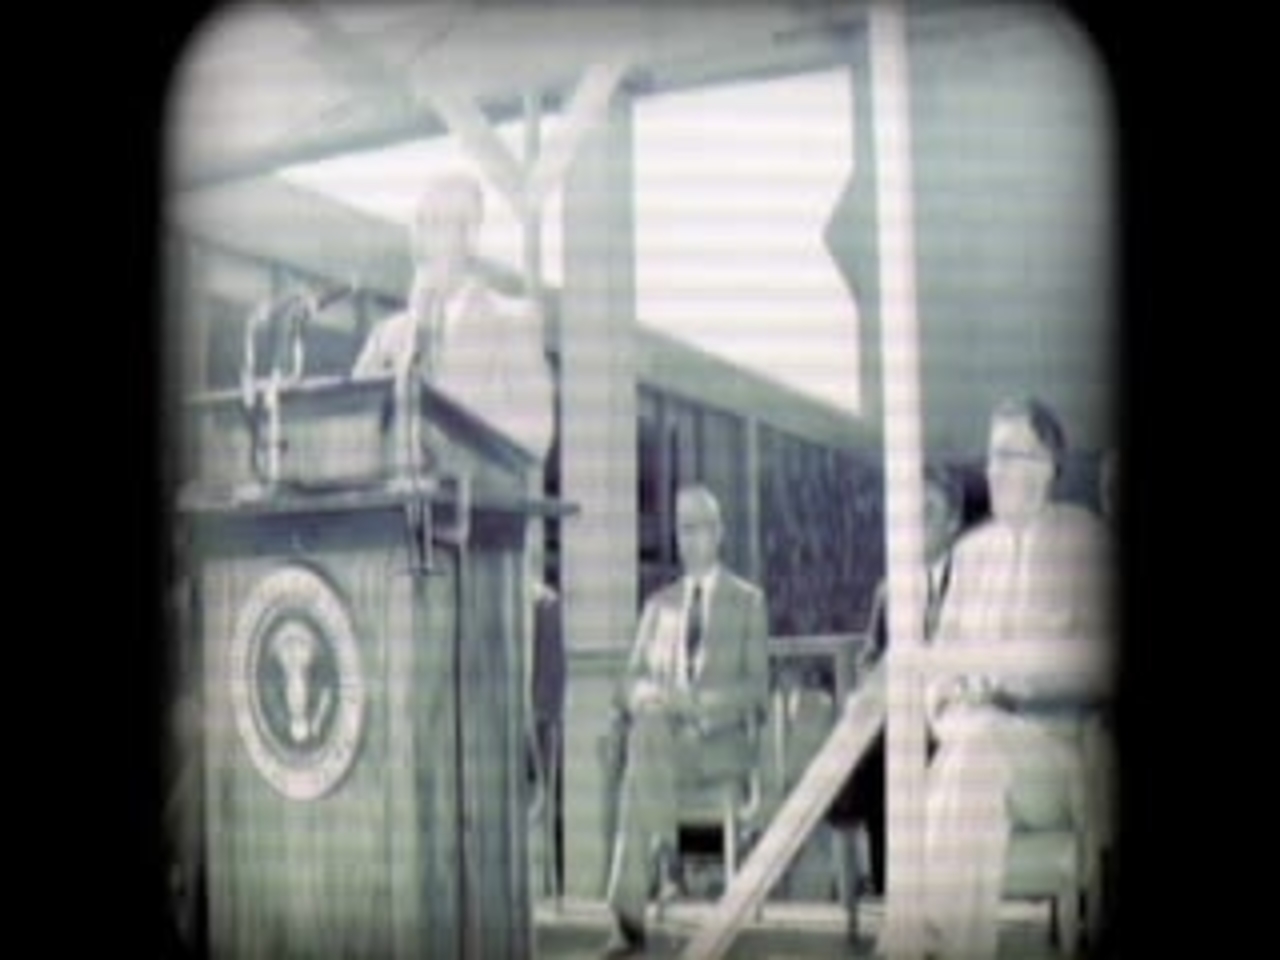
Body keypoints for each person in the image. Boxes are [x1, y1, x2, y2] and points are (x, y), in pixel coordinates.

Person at [918, 397, 1113, 959]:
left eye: (1010, 455)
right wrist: (949, 709)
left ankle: (927, 938)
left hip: (1054, 762)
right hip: (974, 750)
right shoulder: (970, 554)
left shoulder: (1087, 541)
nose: (994, 470)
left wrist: (1013, 684)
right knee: (969, 753)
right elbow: (940, 666)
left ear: (1047, 465)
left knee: (967, 755)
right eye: (992, 456)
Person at [599, 485, 770, 957]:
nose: (691, 539)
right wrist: (647, 695)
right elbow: (625, 684)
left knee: (639, 769)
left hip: (717, 747)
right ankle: (675, 852)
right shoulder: (658, 606)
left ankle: (632, 915)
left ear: (719, 534)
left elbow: (756, 690)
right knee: (647, 731)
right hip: (664, 747)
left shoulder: (747, 601)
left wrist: (694, 705)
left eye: (701, 528)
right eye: (683, 529)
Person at [826, 463, 966, 897]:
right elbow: (870, 657)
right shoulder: (891, 590)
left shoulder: (976, 581)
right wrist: (873, 677)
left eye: (928, 510)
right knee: (883, 752)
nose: (916, 523)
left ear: (953, 521)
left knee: (893, 752)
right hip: (903, 725)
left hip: (956, 722)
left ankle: (928, 900)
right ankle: (895, 899)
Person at [351, 171, 555, 462]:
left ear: (470, 236)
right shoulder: (386, 336)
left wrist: (451, 418)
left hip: (476, 501)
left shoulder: (514, 321)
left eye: (434, 225)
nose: (419, 240)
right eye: (417, 224)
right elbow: (356, 427)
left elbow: (537, 436)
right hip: (394, 505)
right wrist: (415, 332)